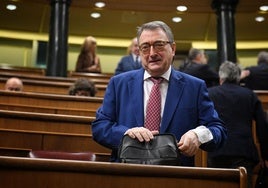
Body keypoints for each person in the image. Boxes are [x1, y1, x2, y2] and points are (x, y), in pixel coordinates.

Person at [92, 20, 227, 166]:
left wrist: (199, 135)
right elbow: (100, 127)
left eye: (159, 45)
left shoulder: (195, 87)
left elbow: (218, 130)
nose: (152, 53)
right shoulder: (119, 84)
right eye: (145, 47)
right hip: (127, 173)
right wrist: (126, 134)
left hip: (176, 176)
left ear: (173, 48)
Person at [207, 61, 268, 188]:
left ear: (220, 78)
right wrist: (265, 155)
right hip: (243, 152)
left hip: (217, 150)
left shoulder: (210, 94)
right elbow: (262, 127)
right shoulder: (249, 95)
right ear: (238, 78)